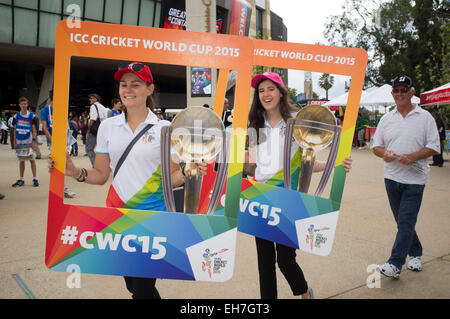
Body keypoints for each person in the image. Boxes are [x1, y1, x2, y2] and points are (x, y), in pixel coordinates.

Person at [48, 61, 207, 299]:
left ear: (149, 89)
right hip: (117, 214)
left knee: (141, 290)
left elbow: (172, 177)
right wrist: (75, 172)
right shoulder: (108, 127)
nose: (128, 89)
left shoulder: (165, 128)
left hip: (153, 216)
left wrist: (189, 172)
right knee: (133, 286)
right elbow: (101, 175)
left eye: (136, 84)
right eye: (124, 85)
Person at [246, 72, 352, 299]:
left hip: (289, 198)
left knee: (285, 259)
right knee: (264, 262)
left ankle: (304, 292)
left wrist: (335, 163)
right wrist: (219, 157)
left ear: (281, 92)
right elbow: (251, 161)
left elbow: (306, 161)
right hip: (261, 197)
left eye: (271, 89)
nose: (266, 94)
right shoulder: (255, 122)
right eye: (261, 90)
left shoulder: (296, 119)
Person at [371, 75, 440, 279]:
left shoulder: (425, 117)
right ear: (392, 94)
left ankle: (395, 263)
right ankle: (416, 253)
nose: (400, 94)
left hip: (415, 180)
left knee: (406, 221)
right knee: (403, 222)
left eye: (404, 90)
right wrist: (384, 154)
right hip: (391, 178)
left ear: (412, 92)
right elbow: (376, 147)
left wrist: (413, 157)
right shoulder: (386, 118)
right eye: (396, 90)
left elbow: (435, 147)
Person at [41, 90, 76, 198]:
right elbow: (44, 128)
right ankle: (62, 189)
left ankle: (57, 187)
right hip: (53, 141)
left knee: (62, 164)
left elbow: (66, 125)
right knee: (58, 164)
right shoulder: (45, 110)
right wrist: (52, 140)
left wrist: (68, 139)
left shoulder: (62, 109)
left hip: (64, 141)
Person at [12, 97, 39, 187]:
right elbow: (15, 129)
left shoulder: (32, 116)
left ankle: (35, 178)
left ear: (27, 105)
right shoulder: (16, 116)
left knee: (32, 160)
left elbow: (34, 129)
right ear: (19, 105)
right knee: (21, 160)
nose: (23, 105)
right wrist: (14, 142)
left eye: (25, 104)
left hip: (29, 140)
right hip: (19, 141)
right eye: (22, 104)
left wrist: (33, 141)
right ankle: (21, 179)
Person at [86, 93, 108, 167]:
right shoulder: (102, 107)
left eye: (91, 98)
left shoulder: (93, 106)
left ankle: (95, 165)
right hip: (102, 130)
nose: (90, 99)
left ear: (95, 99)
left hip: (94, 131)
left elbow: (93, 119)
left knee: (89, 149)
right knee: (101, 149)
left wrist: (89, 129)